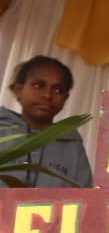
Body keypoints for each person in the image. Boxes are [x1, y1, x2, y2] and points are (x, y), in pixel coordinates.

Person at [1, 55, 93, 188]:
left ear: (65, 98)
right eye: (38, 86)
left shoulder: (72, 146)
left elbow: (83, 198)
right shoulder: (2, 130)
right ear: (19, 89)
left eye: (58, 90)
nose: (47, 95)